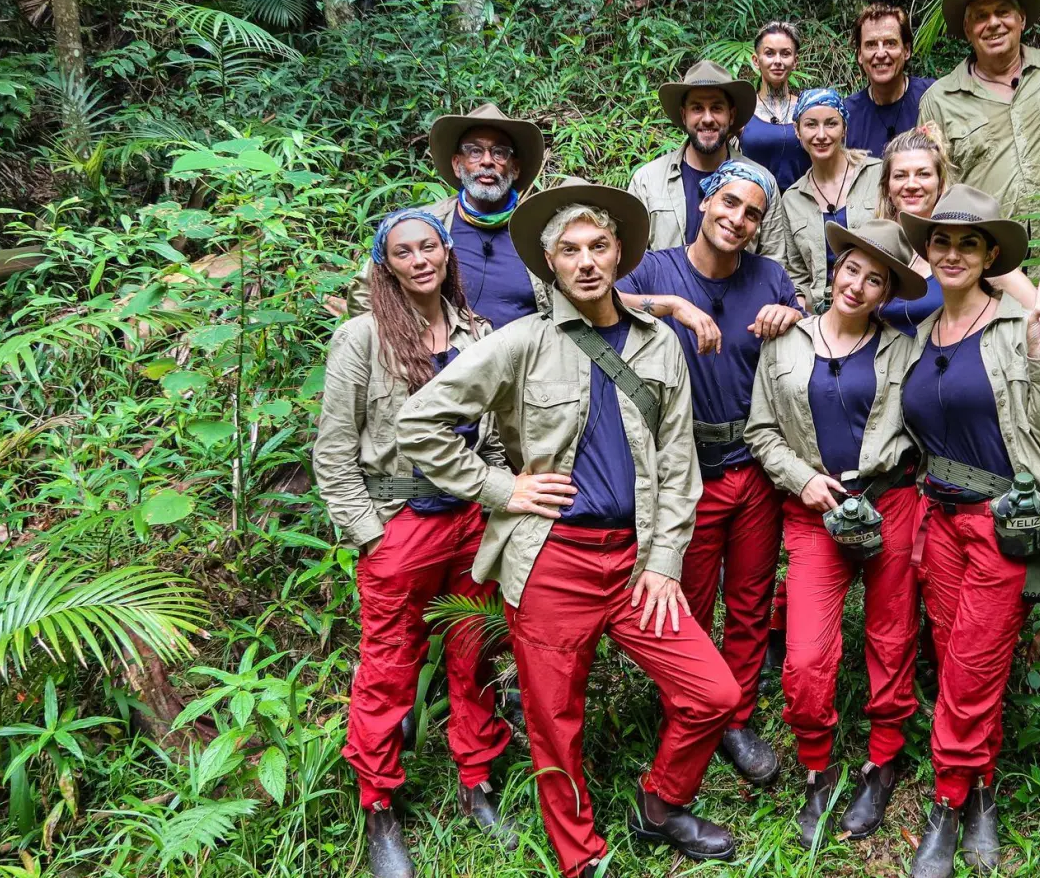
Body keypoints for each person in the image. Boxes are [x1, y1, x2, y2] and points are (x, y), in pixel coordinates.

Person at [395, 179, 743, 878]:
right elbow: (419, 421)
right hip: (555, 558)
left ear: (619, 254)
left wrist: (667, 560)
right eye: (570, 250)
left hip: (640, 560)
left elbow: (679, 466)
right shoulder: (520, 344)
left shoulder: (658, 345)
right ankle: (579, 856)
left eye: (599, 247)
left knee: (715, 693)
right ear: (550, 263)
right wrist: (499, 486)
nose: (586, 261)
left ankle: (662, 805)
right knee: (556, 724)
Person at [313, 209, 514, 878]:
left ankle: (477, 780)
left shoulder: (475, 333)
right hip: (403, 522)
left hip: (471, 521)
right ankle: (379, 806)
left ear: (447, 253)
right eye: (405, 251)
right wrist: (373, 535)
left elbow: (490, 434)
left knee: (474, 651)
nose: (420, 258)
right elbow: (335, 453)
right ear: (388, 263)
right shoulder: (361, 337)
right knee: (389, 666)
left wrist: (498, 496)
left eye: (430, 245)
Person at [896, 185, 1040, 878]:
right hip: (936, 518)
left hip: (1000, 524)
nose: (951, 253)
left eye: (967, 243)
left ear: (989, 255)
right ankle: (984, 790)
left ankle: (946, 803)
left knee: (971, 668)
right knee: (959, 663)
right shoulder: (918, 334)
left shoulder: (1012, 326)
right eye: (940, 241)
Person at [615, 160, 805, 787]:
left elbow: (810, 339)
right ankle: (689, 706)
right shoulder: (658, 269)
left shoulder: (770, 277)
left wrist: (793, 317)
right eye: (728, 203)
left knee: (749, 600)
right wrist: (670, 305)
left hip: (751, 465)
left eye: (752, 213)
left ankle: (735, 716)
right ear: (704, 203)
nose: (738, 219)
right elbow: (597, 299)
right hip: (685, 467)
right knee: (687, 600)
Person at [745, 219, 926, 845]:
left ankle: (883, 759)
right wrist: (802, 480)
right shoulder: (785, 342)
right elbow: (761, 432)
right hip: (814, 513)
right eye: (851, 268)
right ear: (833, 270)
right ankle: (818, 770)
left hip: (890, 506)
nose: (857, 284)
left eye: (875, 279)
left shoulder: (904, 349)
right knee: (806, 657)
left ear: (886, 294)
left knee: (892, 636)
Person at [918, 0, 1040, 246]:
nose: (993, 23)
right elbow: (931, 190)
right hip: (986, 266)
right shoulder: (939, 100)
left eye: (1003, 12)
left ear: (1022, 20)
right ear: (968, 29)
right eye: (981, 16)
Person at [349, 104, 549, 329]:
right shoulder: (422, 226)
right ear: (457, 164)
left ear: (514, 169)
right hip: (441, 361)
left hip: (523, 361)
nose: (486, 161)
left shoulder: (539, 232)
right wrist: (398, 347)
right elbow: (365, 294)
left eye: (499, 153)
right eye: (474, 151)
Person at [874, 125, 1036, 336]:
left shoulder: (965, 247)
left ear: (940, 183)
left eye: (923, 174)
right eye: (900, 176)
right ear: (887, 185)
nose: (911, 184)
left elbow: (1033, 307)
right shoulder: (875, 245)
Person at [629, 60, 789, 262]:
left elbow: (774, 262)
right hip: (663, 292)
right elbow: (632, 262)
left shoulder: (762, 182)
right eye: (697, 108)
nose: (707, 119)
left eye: (716, 108)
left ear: (731, 116)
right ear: (683, 115)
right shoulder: (647, 181)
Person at [780, 88, 884, 312]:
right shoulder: (792, 199)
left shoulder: (877, 175)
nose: (821, 135)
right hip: (821, 313)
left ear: (844, 128)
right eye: (810, 125)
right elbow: (797, 273)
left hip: (879, 306)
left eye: (831, 123)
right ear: (797, 131)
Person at [843, 3, 936, 158]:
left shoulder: (933, 97)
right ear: (860, 55)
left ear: (906, 51)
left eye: (890, 43)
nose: (880, 53)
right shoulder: (847, 115)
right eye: (871, 44)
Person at [739, 21, 810, 192]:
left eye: (785, 54)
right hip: (756, 205)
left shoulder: (808, 109)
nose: (777, 61)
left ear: (795, 61)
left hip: (803, 205)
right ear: (756, 61)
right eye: (769, 53)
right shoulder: (743, 110)